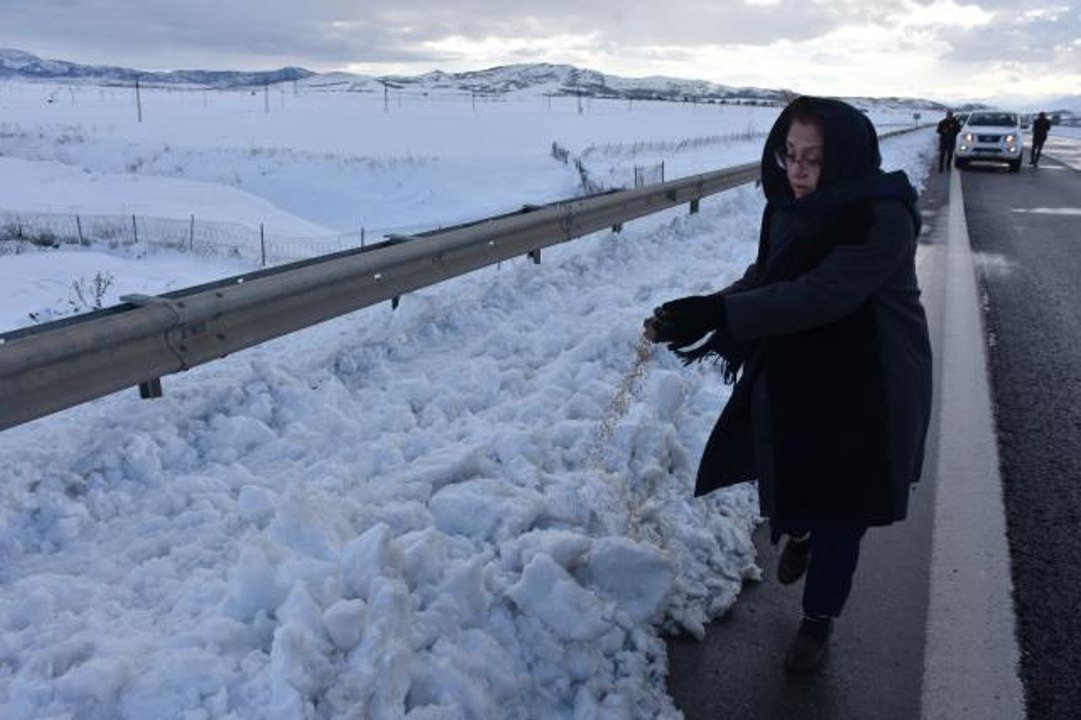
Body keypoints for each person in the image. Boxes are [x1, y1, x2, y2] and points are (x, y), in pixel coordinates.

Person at [643, 96, 932, 675]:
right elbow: (768, 278)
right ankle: (798, 531)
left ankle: (818, 619)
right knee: (795, 482)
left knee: (844, 510)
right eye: (788, 155)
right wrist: (708, 306)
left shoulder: (883, 215)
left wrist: (723, 317)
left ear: (848, 157)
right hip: (802, 371)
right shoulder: (788, 206)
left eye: (813, 159)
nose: (796, 172)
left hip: (866, 385)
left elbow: (823, 292)